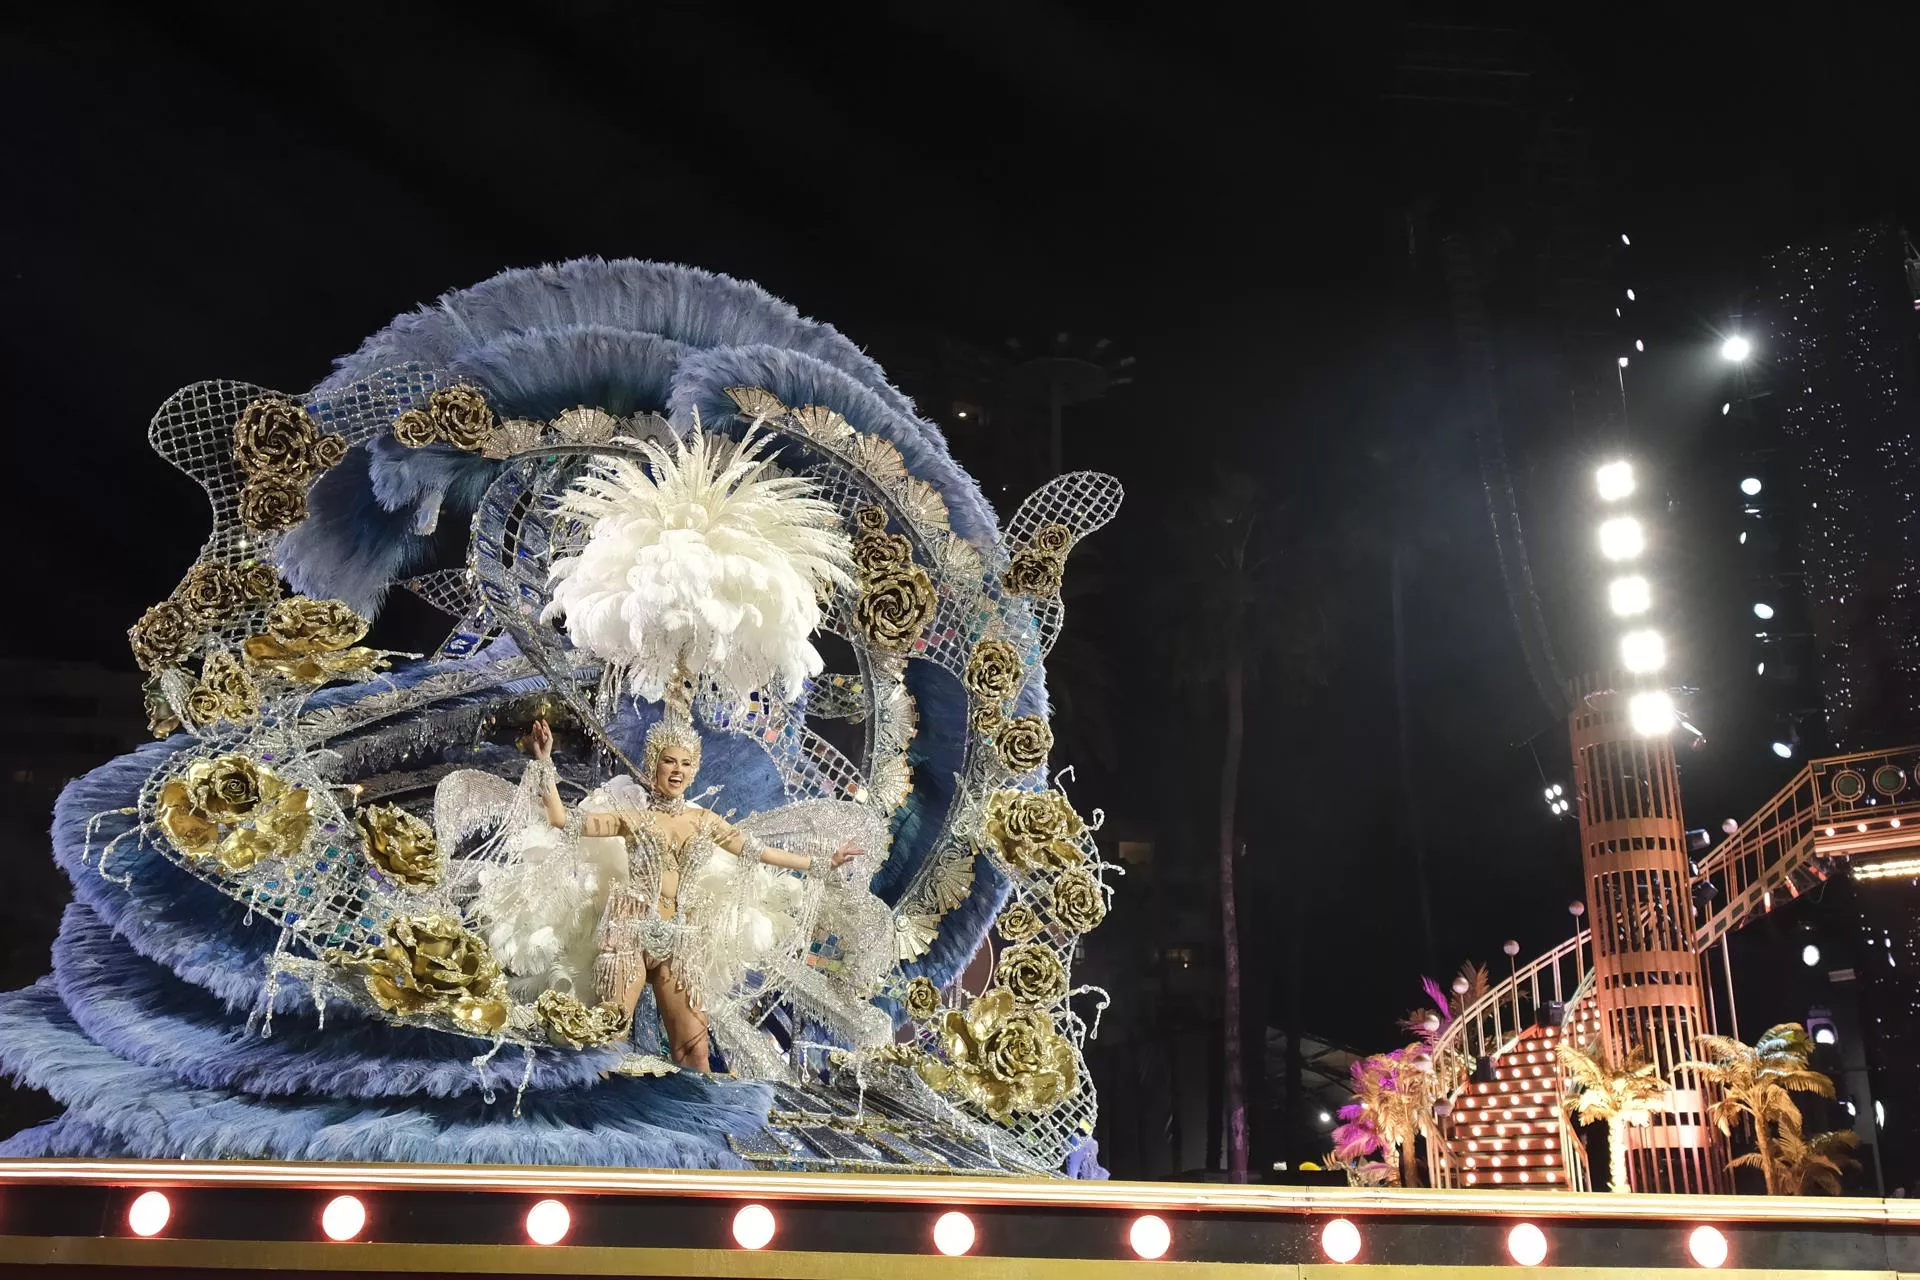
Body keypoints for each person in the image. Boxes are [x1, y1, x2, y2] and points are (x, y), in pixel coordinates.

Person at [525, 716, 862, 1071]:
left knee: (693, 1051)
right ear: (654, 764)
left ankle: (699, 1123)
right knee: (610, 1039)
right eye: (669, 761)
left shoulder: (705, 821)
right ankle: (607, 1116)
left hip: (681, 937)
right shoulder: (631, 817)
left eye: (686, 763)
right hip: (630, 931)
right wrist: (545, 761)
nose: (677, 770)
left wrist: (824, 863)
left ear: (694, 770)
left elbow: (758, 851)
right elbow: (563, 820)